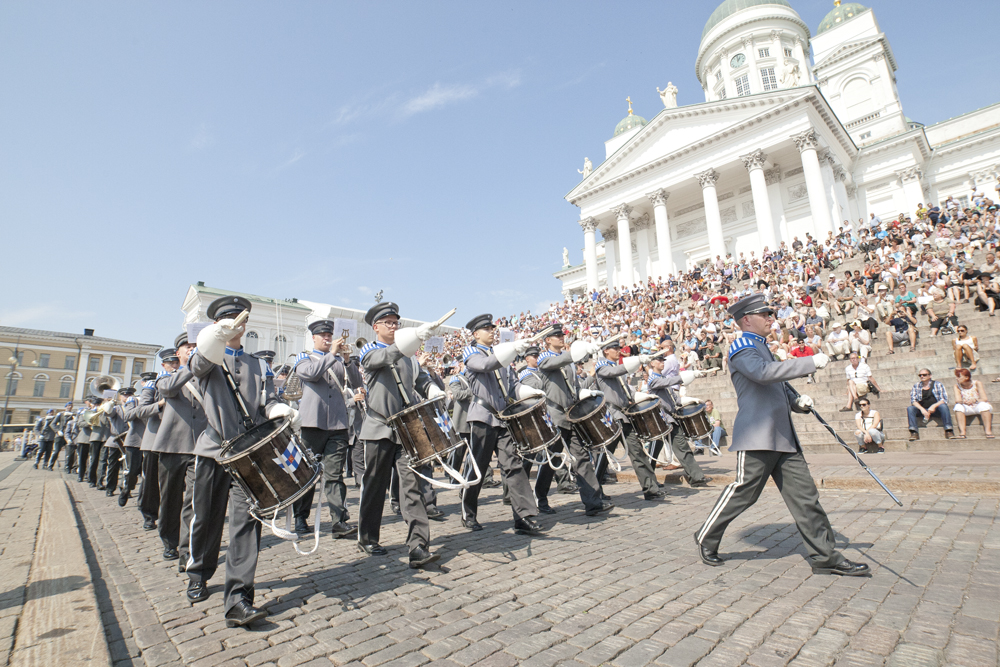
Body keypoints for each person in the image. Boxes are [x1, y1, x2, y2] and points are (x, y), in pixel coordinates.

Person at [695, 294, 868, 576]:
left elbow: (778, 383)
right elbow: (762, 373)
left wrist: (795, 400)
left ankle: (825, 556)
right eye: (764, 315)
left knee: (805, 496)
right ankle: (706, 535)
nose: (770, 319)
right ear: (746, 320)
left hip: (782, 435)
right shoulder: (742, 346)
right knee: (744, 492)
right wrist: (809, 362)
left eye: (770, 314)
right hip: (758, 434)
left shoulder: (763, 347)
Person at [190, 296, 290, 626]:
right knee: (206, 517)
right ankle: (199, 572)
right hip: (214, 450)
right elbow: (197, 367)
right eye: (229, 318)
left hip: (248, 454)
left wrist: (279, 409)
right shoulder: (208, 356)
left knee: (247, 522)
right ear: (216, 324)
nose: (237, 324)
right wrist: (215, 337)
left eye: (241, 319)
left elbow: (268, 400)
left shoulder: (258, 364)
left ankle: (239, 598)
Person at [355, 301, 444, 569]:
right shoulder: (369, 349)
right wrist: (412, 339)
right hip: (379, 427)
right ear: (376, 327)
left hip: (405, 430)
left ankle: (418, 545)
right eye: (388, 323)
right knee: (375, 485)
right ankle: (368, 537)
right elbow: (381, 359)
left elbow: (419, 378)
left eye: (396, 323)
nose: (393, 327)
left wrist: (432, 389)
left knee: (412, 487)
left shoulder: (409, 355)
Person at [460, 314, 543, 534]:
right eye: (486, 329)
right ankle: (468, 512)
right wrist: (512, 349)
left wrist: (531, 392)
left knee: (513, 466)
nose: (491, 332)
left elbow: (513, 386)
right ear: (476, 334)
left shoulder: (503, 356)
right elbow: (485, 365)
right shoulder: (471, 352)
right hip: (482, 417)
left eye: (492, 329)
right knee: (478, 467)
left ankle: (523, 517)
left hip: (503, 420)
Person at [289, 320, 358, 540]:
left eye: (329, 335)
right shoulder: (304, 358)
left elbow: (357, 382)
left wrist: (347, 361)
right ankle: (300, 517)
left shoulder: (338, 360)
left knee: (335, 475)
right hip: (312, 424)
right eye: (323, 336)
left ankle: (339, 521)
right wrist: (333, 355)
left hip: (337, 424)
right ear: (314, 338)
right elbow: (310, 374)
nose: (327, 339)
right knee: (307, 474)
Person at [533, 324, 613, 516]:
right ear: (548, 340)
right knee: (551, 460)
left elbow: (574, 386)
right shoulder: (545, 357)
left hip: (572, 415)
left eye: (562, 335)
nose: (562, 337)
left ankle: (593, 502)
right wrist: (578, 352)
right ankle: (540, 497)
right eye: (557, 336)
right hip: (555, 415)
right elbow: (554, 363)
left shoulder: (568, 361)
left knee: (581, 458)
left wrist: (586, 389)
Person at [155, 335, 205, 575]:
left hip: (199, 446)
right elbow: (167, 389)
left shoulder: (207, 374)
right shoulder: (167, 375)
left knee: (193, 502)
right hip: (172, 446)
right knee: (170, 498)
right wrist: (190, 367)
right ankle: (169, 540)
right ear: (179, 353)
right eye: (188, 347)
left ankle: (187, 551)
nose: (192, 349)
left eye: (196, 346)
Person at [592, 340, 663, 501]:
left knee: (637, 451)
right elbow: (612, 372)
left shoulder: (619, 369)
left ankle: (651, 489)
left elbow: (626, 392)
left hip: (623, 415)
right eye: (615, 348)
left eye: (619, 348)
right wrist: (636, 361)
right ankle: (594, 491)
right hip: (610, 415)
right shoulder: (602, 365)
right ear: (606, 351)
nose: (618, 351)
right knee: (604, 456)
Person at [642, 357, 710, 487]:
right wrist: (684, 377)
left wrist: (691, 400)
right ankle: (649, 482)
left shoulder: (664, 379)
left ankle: (696, 477)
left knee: (682, 446)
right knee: (653, 452)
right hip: (659, 420)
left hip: (670, 418)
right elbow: (664, 383)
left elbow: (675, 399)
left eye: (663, 360)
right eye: (659, 360)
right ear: (652, 363)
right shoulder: (653, 379)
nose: (662, 363)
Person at [136, 370, 165, 531]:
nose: (174, 366)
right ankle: (149, 516)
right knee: (151, 482)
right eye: (171, 363)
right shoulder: (151, 387)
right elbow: (141, 411)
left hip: (176, 439)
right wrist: (160, 404)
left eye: (175, 363)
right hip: (154, 439)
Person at [907, 368, 954, 441]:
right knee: (910, 408)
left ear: (930, 376)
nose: (922, 376)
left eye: (924, 375)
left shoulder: (938, 384)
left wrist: (933, 406)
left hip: (936, 409)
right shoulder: (916, 386)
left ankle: (948, 430)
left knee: (943, 406)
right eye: (920, 375)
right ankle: (914, 432)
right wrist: (922, 409)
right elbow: (913, 401)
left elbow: (944, 399)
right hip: (923, 409)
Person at [952, 369, 993, 439]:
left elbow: (984, 398)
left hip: (978, 405)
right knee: (958, 406)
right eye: (956, 376)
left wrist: (974, 400)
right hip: (967, 406)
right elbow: (958, 400)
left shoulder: (977, 383)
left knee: (984, 405)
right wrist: (964, 402)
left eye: (959, 377)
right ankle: (962, 433)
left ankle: (988, 431)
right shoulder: (957, 386)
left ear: (966, 377)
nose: (957, 378)